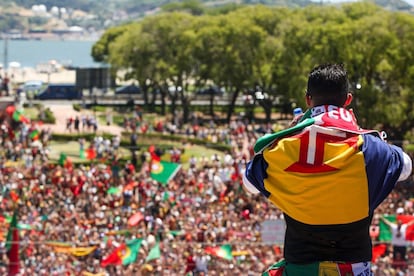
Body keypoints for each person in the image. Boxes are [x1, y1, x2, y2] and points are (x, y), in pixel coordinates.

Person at [243, 63, 413, 275]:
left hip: (299, 269)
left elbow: (248, 183)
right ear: (348, 100)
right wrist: (359, 132)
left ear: (307, 100)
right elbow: (406, 166)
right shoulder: (370, 149)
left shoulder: (280, 149)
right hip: (355, 270)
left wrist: (289, 132)